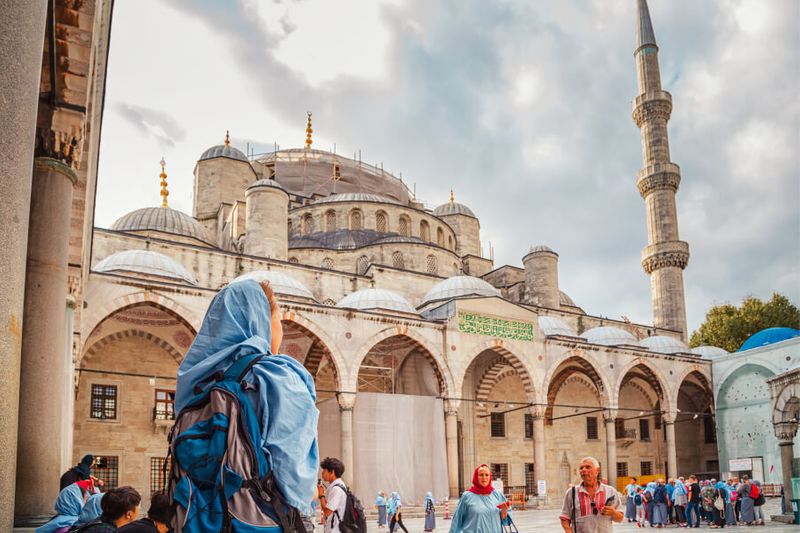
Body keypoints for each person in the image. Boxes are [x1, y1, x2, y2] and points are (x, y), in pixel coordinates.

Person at [175, 279, 319, 517]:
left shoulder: (195, 382)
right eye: (278, 319)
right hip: (259, 520)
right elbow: (296, 482)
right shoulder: (275, 376)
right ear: (261, 319)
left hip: (201, 519)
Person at [559, 456, 622, 533]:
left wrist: (613, 513)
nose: (583, 470)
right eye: (581, 468)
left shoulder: (610, 491)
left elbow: (620, 518)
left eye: (588, 467)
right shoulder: (571, 492)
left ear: (597, 470)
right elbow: (564, 518)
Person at [449, 464, 511, 533]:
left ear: (490, 477)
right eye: (481, 475)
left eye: (487, 475)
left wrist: (504, 511)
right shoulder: (467, 496)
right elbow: (457, 519)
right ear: (476, 477)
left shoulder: (497, 495)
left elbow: (505, 521)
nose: (484, 477)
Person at [318, 457, 348, 533]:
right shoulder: (338, 486)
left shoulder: (336, 489)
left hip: (335, 530)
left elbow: (327, 512)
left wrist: (321, 495)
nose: (322, 473)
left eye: (324, 471)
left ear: (332, 472)